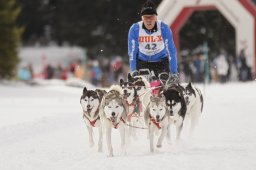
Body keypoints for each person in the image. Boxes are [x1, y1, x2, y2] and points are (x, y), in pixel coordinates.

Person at [128, 0, 178, 84]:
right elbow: (132, 52)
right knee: (140, 86)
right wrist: (133, 70)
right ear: (142, 18)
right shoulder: (135, 29)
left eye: (151, 17)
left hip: (161, 61)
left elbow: (171, 51)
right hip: (142, 61)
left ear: (156, 17)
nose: (148, 20)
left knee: (164, 84)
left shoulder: (163, 28)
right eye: (145, 17)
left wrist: (174, 72)